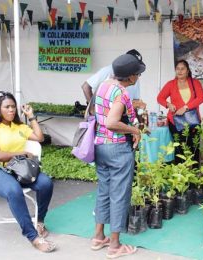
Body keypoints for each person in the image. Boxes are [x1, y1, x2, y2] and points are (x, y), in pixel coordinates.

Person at [0, 92, 56, 253]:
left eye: (13, 106)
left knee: (46, 183)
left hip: (18, 169)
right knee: (13, 190)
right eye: (7, 107)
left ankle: (39, 221)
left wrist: (31, 116)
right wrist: (21, 153)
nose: (11, 110)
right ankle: (33, 236)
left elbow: (40, 137)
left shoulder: (19, 127)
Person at [91, 54, 144, 258]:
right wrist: (134, 130)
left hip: (100, 146)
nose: (138, 77)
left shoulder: (104, 85)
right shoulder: (121, 93)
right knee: (120, 194)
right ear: (130, 77)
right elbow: (112, 122)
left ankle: (98, 237)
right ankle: (114, 245)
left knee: (104, 190)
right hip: (117, 149)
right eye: (137, 73)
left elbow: (99, 115)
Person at [157, 60, 203, 164]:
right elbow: (160, 98)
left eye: (182, 69)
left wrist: (186, 107)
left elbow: (201, 98)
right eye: (178, 69)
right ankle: (180, 177)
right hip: (175, 122)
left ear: (187, 70)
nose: (180, 71)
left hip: (193, 121)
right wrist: (168, 105)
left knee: (194, 149)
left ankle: (194, 175)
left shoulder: (195, 83)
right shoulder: (171, 84)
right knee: (179, 149)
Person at [81, 49, 146, 110]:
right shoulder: (108, 72)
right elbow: (85, 86)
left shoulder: (135, 77)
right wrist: (93, 109)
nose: (138, 75)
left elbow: (135, 100)